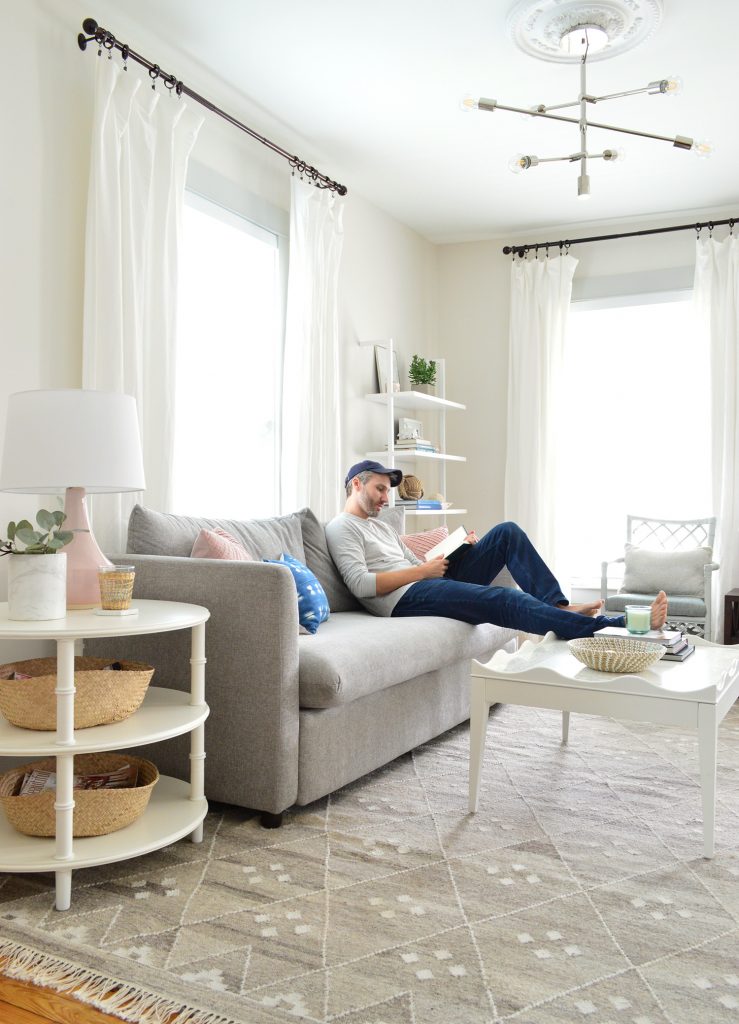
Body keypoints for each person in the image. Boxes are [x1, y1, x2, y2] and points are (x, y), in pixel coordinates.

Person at [325, 460, 668, 641]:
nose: (386, 498)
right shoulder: (341, 527)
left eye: (387, 492)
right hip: (400, 599)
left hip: (423, 581)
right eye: (380, 489)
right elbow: (361, 584)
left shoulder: (382, 526)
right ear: (356, 484)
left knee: (506, 533)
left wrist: (456, 550)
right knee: (505, 599)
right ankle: (616, 626)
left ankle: (557, 604)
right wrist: (423, 572)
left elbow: (419, 562)